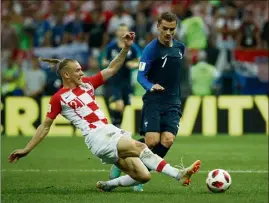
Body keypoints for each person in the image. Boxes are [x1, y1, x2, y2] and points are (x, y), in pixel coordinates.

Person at [8, 32, 201, 192]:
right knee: (141, 147)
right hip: (98, 136)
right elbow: (45, 126)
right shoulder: (59, 97)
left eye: (81, 69)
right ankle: (179, 174)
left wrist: (125, 48)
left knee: (143, 176)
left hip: (107, 133)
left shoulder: (87, 85)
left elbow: (111, 68)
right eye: (77, 70)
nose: (82, 73)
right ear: (66, 74)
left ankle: (108, 185)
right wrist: (27, 149)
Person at [113, 11, 187, 192]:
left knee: (167, 140)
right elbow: (140, 76)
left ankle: (139, 175)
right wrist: (151, 86)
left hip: (173, 102)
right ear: (158, 27)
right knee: (151, 141)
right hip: (154, 100)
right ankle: (120, 159)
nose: (168, 32)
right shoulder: (151, 49)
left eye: (172, 29)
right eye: (165, 29)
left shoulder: (180, 48)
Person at [102, 23, 141, 128]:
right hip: (115, 81)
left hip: (127, 81)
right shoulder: (111, 47)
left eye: (125, 30)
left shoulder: (133, 47)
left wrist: (133, 64)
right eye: (120, 30)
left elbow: (140, 61)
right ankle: (116, 125)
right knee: (119, 105)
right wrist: (107, 63)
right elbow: (104, 60)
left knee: (125, 105)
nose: (123, 32)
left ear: (128, 32)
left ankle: (116, 124)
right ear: (117, 32)